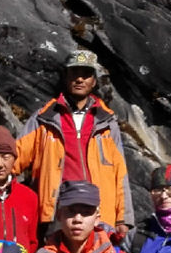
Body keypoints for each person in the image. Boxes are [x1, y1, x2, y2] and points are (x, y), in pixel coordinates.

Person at [15, 49, 133, 240]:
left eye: (85, 74)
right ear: (66, 77)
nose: (79, 79)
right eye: (74, 73)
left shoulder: (107, 121)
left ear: (94, 81)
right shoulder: (44, 118)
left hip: (99, 215)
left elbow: (120, 173)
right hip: (57, 214)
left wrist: (123, 218)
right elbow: (15, 156)